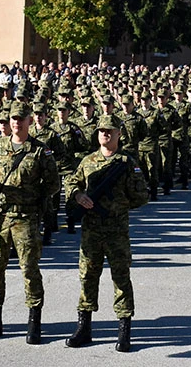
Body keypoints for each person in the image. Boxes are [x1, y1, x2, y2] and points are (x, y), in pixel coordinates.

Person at [64, 114, 149, 352]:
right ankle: (84, 327)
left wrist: (119, 204)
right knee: (87, 276)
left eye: (110, 130)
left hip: (116, 230)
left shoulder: (127, 163)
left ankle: (124, 330)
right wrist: (79, 196)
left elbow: (142, 195)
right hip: (91, 229)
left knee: (121, 278)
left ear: (119, 133)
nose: (105, 134)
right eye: (102, 130)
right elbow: (71, 183)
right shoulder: (88, 161)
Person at [0, 102, 59, 343]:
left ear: (29, 121)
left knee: (29, 270)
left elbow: (53, 184)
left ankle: (34, 322)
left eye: (21, 118)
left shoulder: (40, 151)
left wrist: (35, 199)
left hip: (25, 218)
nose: (16, 122)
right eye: (13, 118)